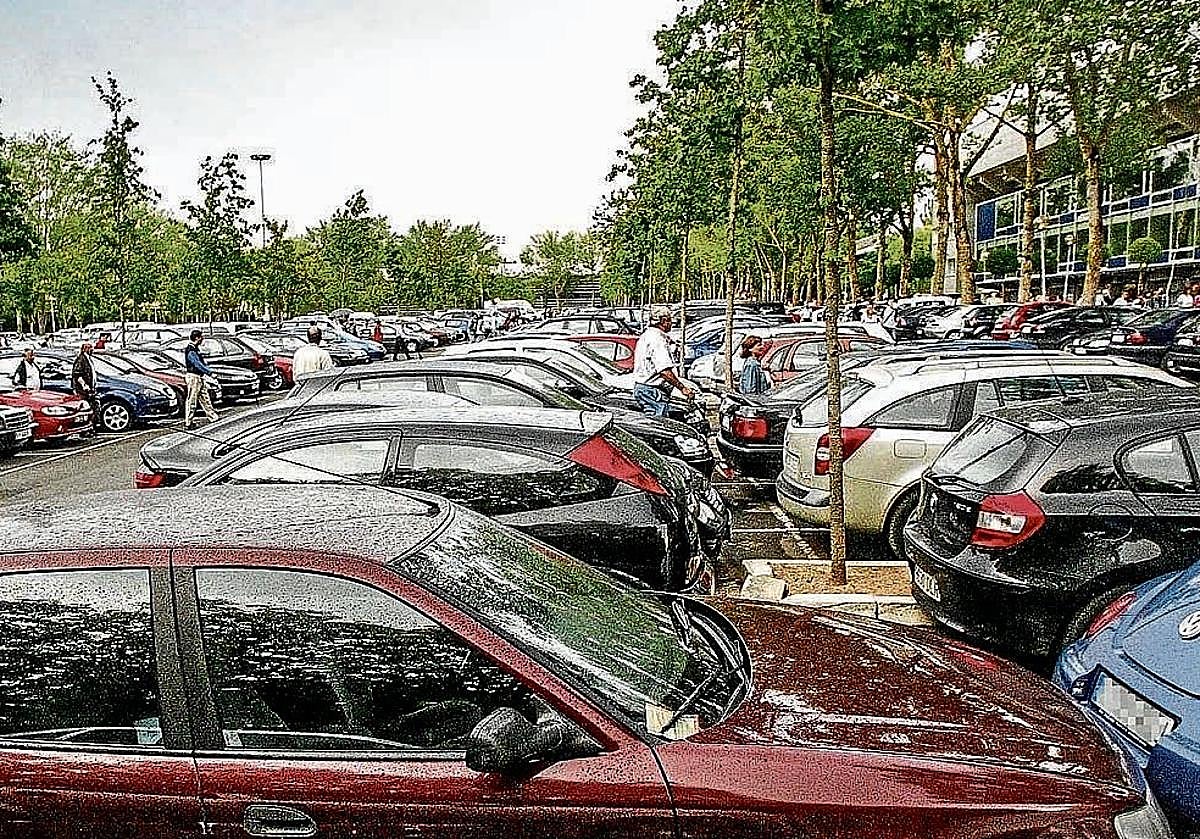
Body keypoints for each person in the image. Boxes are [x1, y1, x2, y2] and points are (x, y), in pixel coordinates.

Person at [632, 306, 695, 418]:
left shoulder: (647, 335)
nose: (672, 324)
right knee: (658, 423)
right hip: (652, 390)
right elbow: (664, 371)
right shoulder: (657, 340)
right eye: (670, 320)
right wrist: (682, 388)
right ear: (663, 321)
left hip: (645, 388)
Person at [183, 330, 219, 430]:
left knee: (205, 397)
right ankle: (188, 422)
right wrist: (209, 373)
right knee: (192, 400)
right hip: (193, 377)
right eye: (201, 337)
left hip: (199, 377)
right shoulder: (191, 350)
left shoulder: (195, 349)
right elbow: (197, 364)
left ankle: (213, 417)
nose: (202, 339)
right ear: (197, 338)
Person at [71, 342, 99, 428]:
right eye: (89, 348)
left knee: (93, 407)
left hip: (90, 388)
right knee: (85, 408)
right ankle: (86, 426)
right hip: (82, 390)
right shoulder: (81, 359)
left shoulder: (88, 359)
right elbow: (77, 374)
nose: (92, 350)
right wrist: (84, 385)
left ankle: (91, 425)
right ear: (84, 349)